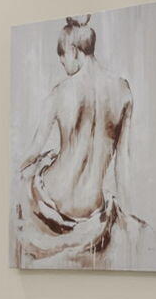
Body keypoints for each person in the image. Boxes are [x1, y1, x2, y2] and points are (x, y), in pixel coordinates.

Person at [14, 15, 144, 267]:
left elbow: (32, 151)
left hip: (50, 203)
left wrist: (14, 174)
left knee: (27, 178)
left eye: (62, 55)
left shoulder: (59, 93)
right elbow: (123, 165)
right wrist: (127, 216)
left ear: (74, 50)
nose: (62, 62)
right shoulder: (123, 92)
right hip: (91, 213)